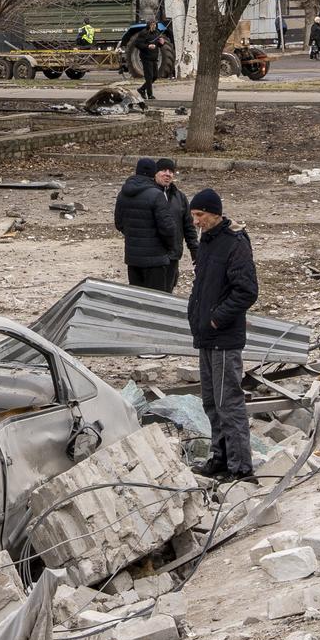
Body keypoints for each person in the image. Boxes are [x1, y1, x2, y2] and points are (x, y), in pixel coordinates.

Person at [187, 188, 257, 481]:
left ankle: (241, 467)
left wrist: (217, 319)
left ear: (215, 213)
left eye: (200, 216)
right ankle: (220, 457)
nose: (196, 222)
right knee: (210, 402)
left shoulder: (235, 243)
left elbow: (247, 291)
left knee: (228, 402)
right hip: (205, 335)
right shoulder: (207, 241)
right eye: (193, 217)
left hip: (224, 338)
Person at [113, 156, 180, 290]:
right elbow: (167, 228)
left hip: (133, 258)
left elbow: (119, 223)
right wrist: (169, 247)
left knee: (137, 299)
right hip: (155, 259)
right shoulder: (156, 195)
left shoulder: (123, 194)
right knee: (155, 302)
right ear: (153, 173)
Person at [155, 158, 195, 291]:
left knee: (167, 292)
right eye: (164, 170)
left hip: (173, 255)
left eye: (171, 171)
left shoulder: (180, 197)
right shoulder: (148, 195)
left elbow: (188, 226)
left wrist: (195, 250)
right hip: (153, 256)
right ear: (155, 173)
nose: (168, 174)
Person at [133, 20, 164, 101]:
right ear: (148, 25)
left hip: (154, 57)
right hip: (146, 57)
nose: (153, 26)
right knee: (149, 77)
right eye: (152, 25)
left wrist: (161, 43)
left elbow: (159, 44)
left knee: (155, 76)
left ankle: (142, 89)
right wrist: (148, 46)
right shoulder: (144, 33)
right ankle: (150, 95)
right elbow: (137, 44)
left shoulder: (157, 32)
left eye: (154, 25)